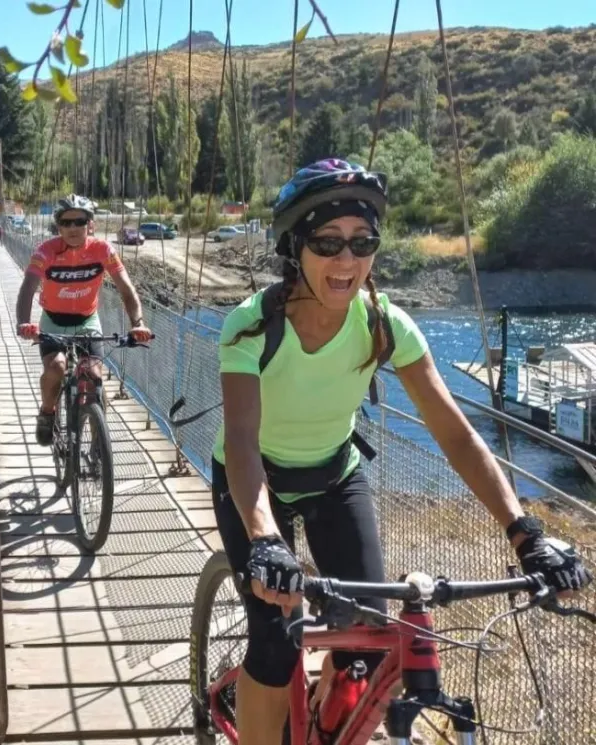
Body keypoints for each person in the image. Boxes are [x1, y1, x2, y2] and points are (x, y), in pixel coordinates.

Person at [211, 158, 592, 745]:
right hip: (252, 479)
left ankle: (326, 718)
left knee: (365, 634)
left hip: (335, 473)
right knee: (274, 639)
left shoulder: (387, 324)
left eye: (363, 242)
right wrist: (265, 539)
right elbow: (240, 441)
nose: (347, 260)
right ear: (294, 247)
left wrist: (525, 532)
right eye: (327, 242)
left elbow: (456, 434)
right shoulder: (252, 327)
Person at [15, 194, 153, 446]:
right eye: (65, 223)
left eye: (79, 221)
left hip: (88, 321)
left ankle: (98, 443)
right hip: (53, 322)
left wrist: (138, 323)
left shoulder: (103, 250)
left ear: (91, 224)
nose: (72, 228)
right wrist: (24, 322)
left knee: (93, 374)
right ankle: (47, 413)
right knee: (56, 367)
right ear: (58, 227)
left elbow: (126, 289)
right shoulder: (45, 252)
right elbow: (27, 287)